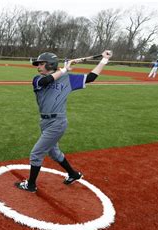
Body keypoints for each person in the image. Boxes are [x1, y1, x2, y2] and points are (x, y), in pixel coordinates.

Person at [15, 50, 113, 193]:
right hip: (45, 122)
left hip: (58, 122)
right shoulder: (37, 79)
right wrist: (64, 69)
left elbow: (91, 77)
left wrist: (104, 60)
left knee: (36, 154)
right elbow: (47, 81)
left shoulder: (67, 79)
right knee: (54, 152)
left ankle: (31, 185)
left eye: (42, 64)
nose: (38, 67)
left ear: (50, 64)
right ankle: (73, 174)